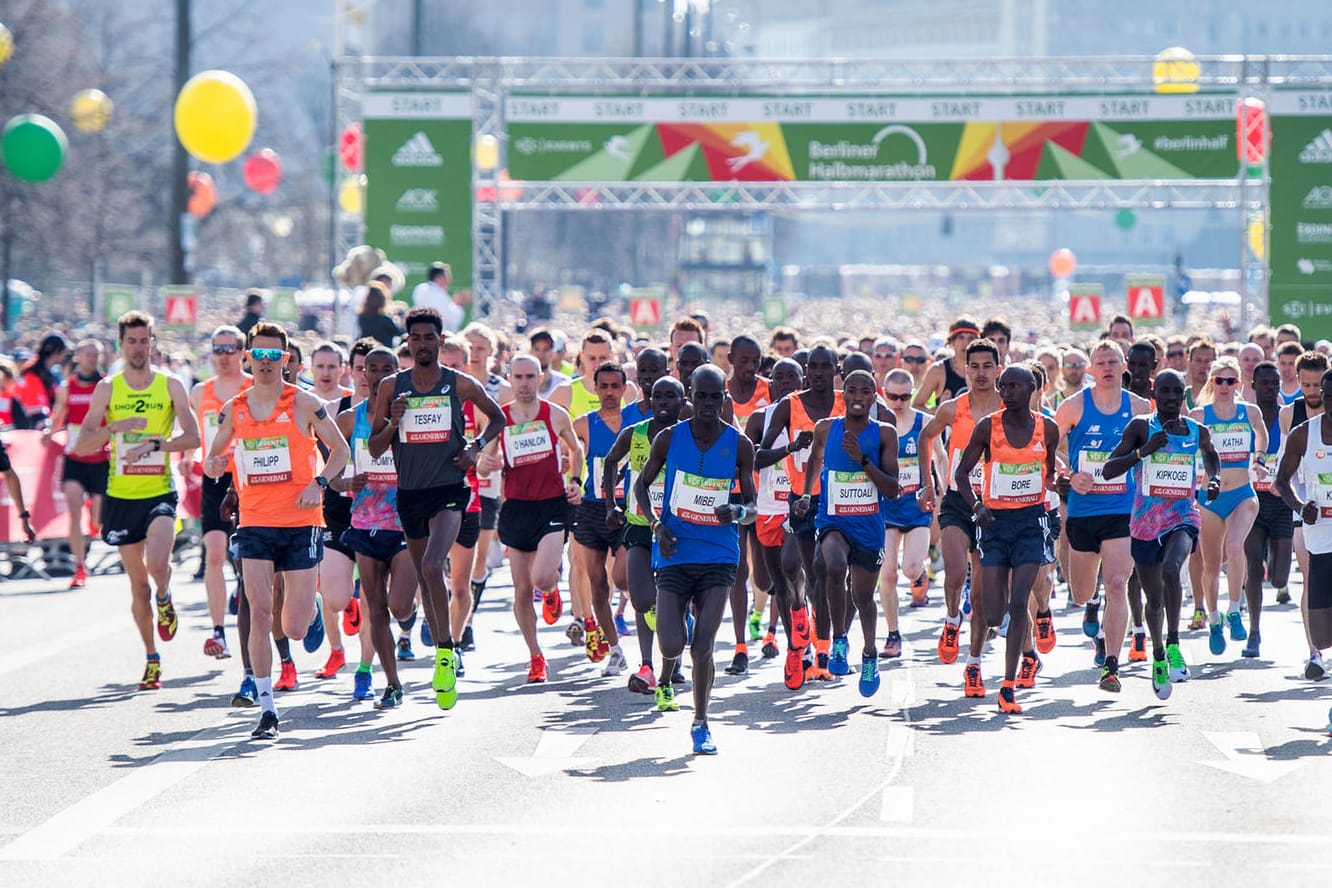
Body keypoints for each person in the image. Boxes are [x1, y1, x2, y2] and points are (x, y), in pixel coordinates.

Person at [204, 321, 349, 739]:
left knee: (295, 627)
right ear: (247, 358)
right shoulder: (234, 408)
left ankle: (314, 606)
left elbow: (338, 450)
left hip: (301, 521)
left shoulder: (303, 403)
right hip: (254, 523)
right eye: (259, 356)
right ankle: (267, 709)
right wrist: (214, 466)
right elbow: (215, 458)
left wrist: (318, 483)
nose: (266, 363)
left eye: (275, 356)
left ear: (286, 360)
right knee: (261, 613)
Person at [368, 307, 504, 709]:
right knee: (428, 581)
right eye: (417, 338)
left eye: (430, 338)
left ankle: (446, 650)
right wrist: (393, 423)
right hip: (409, 493)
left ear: (440, 342)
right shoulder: (393, 387)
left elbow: (497, 419)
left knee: (431, 565)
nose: (423, 344)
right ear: (407, 343)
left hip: (449, 488)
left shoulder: (458, 384)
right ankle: (444, 646)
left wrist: (475, 448)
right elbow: (375, 448)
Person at [75, 312, 200, 690]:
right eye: (132, 341)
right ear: (121, 344)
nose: (139, 347)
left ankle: (166, 597)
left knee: (158, 563)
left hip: (159, 490)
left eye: (145, 340)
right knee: (137, 587)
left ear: (153, 343)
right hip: (121, 495)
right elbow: (82, 444)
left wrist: (161, 444)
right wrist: (114, 428)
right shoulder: (108, 389)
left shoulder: (171, 385)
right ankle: (151, 658)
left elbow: (193, 437)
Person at [636, 365, 757, 755]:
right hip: (675, 550)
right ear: (691, 396)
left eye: (714, 397)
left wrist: (736, 513)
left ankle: (701, 723)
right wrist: (656, 525)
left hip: (720, 556)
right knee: (671, 643)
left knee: (702, 645)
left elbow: (753, 506)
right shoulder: (670, 439)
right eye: (700, 396)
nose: (708, 404)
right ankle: (669, 668)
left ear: (725, 398)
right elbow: (641, 483)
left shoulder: (739, 444)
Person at [1103, 369, 1221, 700]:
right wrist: (1144, 451)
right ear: (1155, 394)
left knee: (1172, 568)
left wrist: (1213, 479)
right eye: (1164, 391)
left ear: (1183, 395)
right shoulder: (1142, 427)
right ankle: (1157, 655)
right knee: (1152, 599)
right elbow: (1110, 469)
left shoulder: (1198, 432)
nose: (1170, 398)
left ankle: (1174, 643)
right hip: (1144, 523)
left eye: (1176, 392)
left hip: (1182, 516)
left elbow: (1212, 458)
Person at [954, 365, 1060, 713]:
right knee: (993, 615)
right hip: (994, 524)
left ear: (1032, 388)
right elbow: (961, 472)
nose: (1008, 391)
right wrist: (976, 506)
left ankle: (1008, 686)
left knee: (1018, 604)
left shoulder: (1048, 428)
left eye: (1015, 386)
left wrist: (1061, 484)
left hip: (1031, 522)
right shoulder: (988, 427)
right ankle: (1007, 651)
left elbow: (1050, 473)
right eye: (1004, 386)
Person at [477, 354, 583, 683]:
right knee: (522, 591)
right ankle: (535, 656)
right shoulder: (501, 419)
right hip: (516, 508)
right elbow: (482, 461)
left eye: (530, 377)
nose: (524, 384)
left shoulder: (555, 414)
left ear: (540, 379)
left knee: (541, 579)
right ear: (510, 379)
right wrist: (487, 465)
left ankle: (551, 591)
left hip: (552, 505)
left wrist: (575, 480)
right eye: (518, 377)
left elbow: (576, 449)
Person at [1054, 341, 1152, 689]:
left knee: (1116, 582)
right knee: (1081, 591)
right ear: (1091, 369)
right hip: (1083, 511)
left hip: (1122, 509)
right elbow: (1045, 447)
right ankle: (1089, 603)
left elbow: (1154, 455)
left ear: (1123, 366)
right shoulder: (1073, 407)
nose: (1107, 367)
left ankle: (1112, 664)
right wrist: (1067, 475)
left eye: (1113, 361)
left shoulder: (1140, 408)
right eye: (1101, 362)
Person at [797, 369, 900, 697]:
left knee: (863, 598)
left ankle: (869, 654)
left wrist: (863, 460)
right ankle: (839, 639)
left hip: (868, 526)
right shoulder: (825, 429)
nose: (857, 397)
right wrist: (804, 493)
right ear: (843, 395)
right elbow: (815, 460)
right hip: (833, 520)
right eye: (851, 391)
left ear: (873, 396)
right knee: (833, 563)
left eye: (864, 392)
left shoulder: (885, 433)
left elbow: (893, 489)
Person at [336, 345, 419, 709]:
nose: (380, 374)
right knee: (375, 608)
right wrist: (344, 484)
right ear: (362, 373)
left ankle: (412, 613)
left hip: (404, 523)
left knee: (399, 605)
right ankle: (393, 683)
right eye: (373, 368)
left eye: (388, 368)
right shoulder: (349, 419)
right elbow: (331, 473)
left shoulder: (410, 415)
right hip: (364, 522)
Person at [759, 345, 844, 688]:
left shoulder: (847, 400)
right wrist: (792, 447)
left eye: (827, 366)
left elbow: (883, 432)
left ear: (836, 369)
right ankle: (800, 634)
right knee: (800, 571)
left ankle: (822, 649)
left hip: (841, 501)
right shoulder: (789, 405)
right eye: (815, 366)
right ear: (807, 370)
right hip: (801, 501)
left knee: (827, 573)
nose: (820, 372)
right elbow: (759, 456)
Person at [921, 339, 1003, 675]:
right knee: (955, 573)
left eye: (987, 366)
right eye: (974, 367)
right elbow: (926, 436)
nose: (980, 373)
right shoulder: (953, 408)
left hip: (996, 505)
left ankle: (974, 663)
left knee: (982, 596)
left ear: (998, 368)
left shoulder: (1009, 405)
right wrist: (929, 482)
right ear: (964, 369)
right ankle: (952, 618)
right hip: (957, 500)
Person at [604, 375, 686, 694]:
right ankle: (659, 647)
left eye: (670, 397)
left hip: (676, 527)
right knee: (641, 598)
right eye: (657, 397)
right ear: (649, 400)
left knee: (673, 597)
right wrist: (611, 504)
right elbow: (611, 461)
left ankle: (652, 664)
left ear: (682, 403)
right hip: (638, 523)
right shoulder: (635, 433)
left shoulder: (687, 437)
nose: (663, 402)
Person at [1190, 355, 1265, 657]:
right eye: (1218, 380)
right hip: (1210, 498)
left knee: (1235, 547)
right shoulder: (1199, 415)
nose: (1224, 386)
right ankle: (1213, 619)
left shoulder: (1249, 411)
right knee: (1210, 566)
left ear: (1239, 384)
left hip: (1243, 493)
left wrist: (1258, 458)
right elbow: (1182, 446)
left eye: (1230, 381)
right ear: (1211, 383)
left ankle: (1234, 610)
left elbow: (1262, 433)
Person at [1273, 368, 1332, 708]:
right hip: (1320, 540)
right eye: (1328, 395)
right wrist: (1299, 506)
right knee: (1324, 636)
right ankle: (1318, 654)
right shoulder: (1303, 435)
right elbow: (1281, 481)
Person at [572, 361, 629, 675]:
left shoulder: (635, 420)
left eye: (615, 386)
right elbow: (568, 453)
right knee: (597, 583)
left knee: (625, 578)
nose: (609, 392)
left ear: (624, 387)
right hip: (592, 508)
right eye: (603, 386)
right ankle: (615, 648)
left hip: (625, 509)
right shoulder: (583, 424)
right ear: (594, 388)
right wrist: (570, 480)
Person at [879, 368, 935, 655]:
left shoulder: (924, 422)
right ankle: (893, 634)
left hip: (916, 508)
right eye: (892, 396)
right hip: (885, 508)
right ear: (883, 393)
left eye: (904, 396)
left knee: (910, 568)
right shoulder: (876, 423)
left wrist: (944, 490)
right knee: (887, 572)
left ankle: (920, 574)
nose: (898, 402)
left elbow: (942, 457)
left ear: (912, 394)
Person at [44, 339, 108, 590]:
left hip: (100, 457)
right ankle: (79, 567)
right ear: (78, 356)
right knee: (73, 509)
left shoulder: (106, 386)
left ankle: (94, 513)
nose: (92, 358)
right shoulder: (66, 387)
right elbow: (58, 417)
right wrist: (49, 431)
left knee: (97, 520)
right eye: (88, 354)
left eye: (96, 354)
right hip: (74, 457)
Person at [1243, 360, 1289, 655]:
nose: (1271, 388)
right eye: (1265, 383)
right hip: (1253, 503)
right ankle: (1254, 632)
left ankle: (1270, 562)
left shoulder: (1288, 417)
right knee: (1252, 567)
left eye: (1275, 383)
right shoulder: (1245, 417)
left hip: (1282, 501)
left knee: (1280, 578)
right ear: (1254, 387)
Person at [913, 318, 979, 410]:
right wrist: (940, 411)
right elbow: (916, 407)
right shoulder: (938, 370)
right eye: (961, 337)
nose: (966, 343)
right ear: (952, 341)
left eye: (970, 338)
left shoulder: (985, 370)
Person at [15, 333, 70, 429]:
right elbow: (36, 414)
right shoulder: (32, 373)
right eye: (63, 350)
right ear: (56, 350)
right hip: (32, 432)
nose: (65, 354)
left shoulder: (49, 373)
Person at [411, 263, 465, 332]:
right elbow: (451, 319)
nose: (449, 280)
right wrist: (458, 305)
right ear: (439, 278)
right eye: (447, 276)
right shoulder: (438, 293)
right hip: (436, 335)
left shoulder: (420, 288)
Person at [358, 281, 403, 347]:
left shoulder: (361, 318)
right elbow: (399, 333)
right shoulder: (386, 320)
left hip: (366, 352)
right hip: (384, 353)